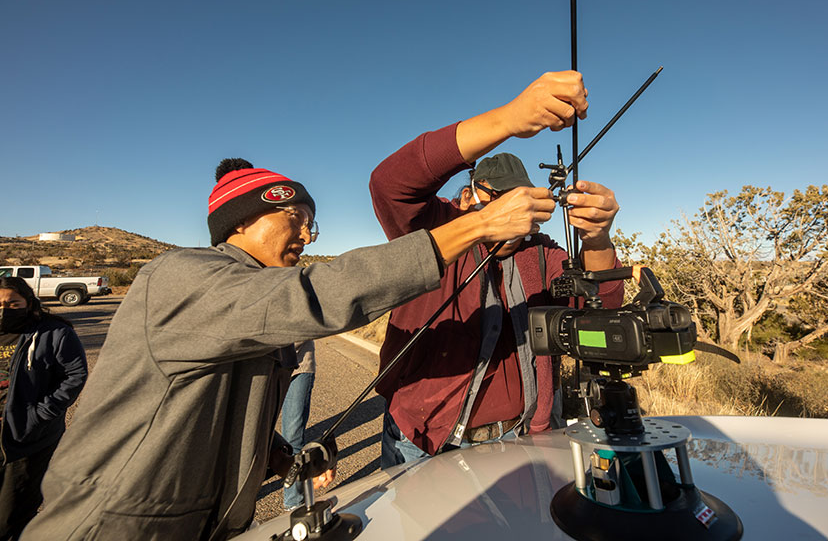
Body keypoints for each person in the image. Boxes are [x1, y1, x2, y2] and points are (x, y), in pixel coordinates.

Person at [22, 155, 554, 541]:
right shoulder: (181, 276)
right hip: (111, 525)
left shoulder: (247, 299)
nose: (306, 235)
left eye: (310, 224)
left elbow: (212, 405)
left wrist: (281, 456)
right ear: (241, 220)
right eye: (294, 219)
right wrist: (476, 226)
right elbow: (321, 294)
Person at [369, 71, 626, 467]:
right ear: (469, 196)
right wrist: (508, 120)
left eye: (522, 202)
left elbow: (601, 307)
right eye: (500, 201)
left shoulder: (541, 253)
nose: (515, 216)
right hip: (422, 439)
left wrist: (597, 240)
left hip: (521, 440)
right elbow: (389, 184)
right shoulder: (435, 228)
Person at [0, 276, 88, 540]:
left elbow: (75, 375)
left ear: (29, 303)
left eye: (13, 304)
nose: (4, 310)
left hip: (27, 438)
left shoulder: (54, 332)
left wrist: (41, 414)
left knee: (11, 515)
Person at [281, 345, 315, 511]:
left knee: (292, 437)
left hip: (300, 364)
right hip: (262, 364)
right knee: (251, 437)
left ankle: (293, 503)